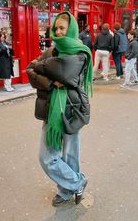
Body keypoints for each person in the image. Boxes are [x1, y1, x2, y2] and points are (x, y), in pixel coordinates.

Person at [26, 11, 93, 207]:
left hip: (72, 109)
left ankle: (65, 190)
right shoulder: (51, 52)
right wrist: (48, 82)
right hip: (52, 109)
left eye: (62, 28)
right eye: (56, 28)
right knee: (46, 157)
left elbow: (65, 71)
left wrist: (41, 66)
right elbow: (30, 69)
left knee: (70, 154)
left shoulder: (80, 52)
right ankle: (77, 182)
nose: (58, 32)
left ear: (71, 29)